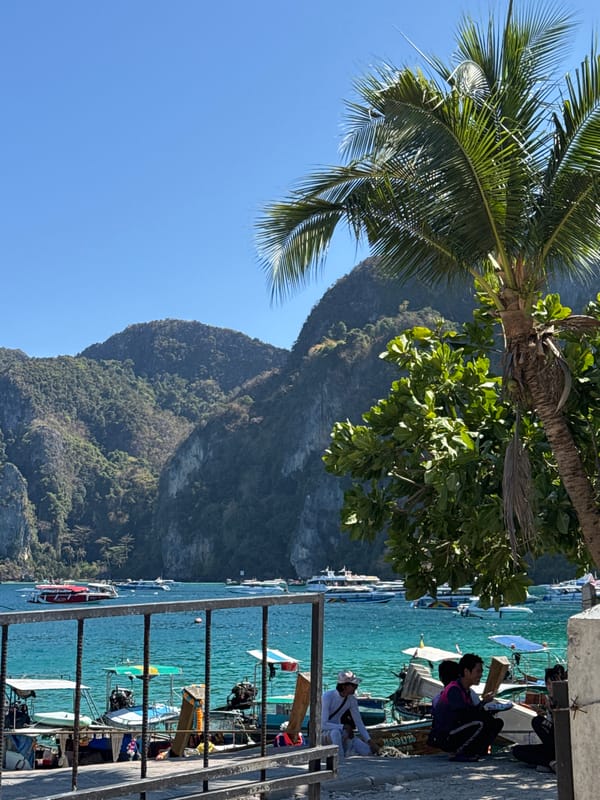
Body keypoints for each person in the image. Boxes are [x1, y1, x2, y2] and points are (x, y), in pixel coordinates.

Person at [428, 653, 504, 761]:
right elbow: (463, 715)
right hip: (446, 735)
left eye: (481, 671)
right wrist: (482, 705)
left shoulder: (465, 690)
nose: (481, 675)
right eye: (478, 671)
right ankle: (461, 753)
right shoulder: (454, 689)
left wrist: (486, 707)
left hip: (456, 730)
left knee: (495, 723)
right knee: (481, 722)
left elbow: (469, 713)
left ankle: (478, 751)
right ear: (466, 672)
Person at [511, 664, 566, 772]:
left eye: (553, 683)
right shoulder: (549, 700)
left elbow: (562, 725)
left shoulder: (564, 699)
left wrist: (553, 711)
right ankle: (551, 763)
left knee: (537, 721)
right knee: (517, 750)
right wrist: (545, 713)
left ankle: (549, 762)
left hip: (562, 742)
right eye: (548, 684)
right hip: (551, 745)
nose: (550, 687)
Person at [321, 670, 380, 758]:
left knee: (367, 751)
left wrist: (370, 741)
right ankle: (340, 760)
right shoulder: (327, 697)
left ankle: (347, 752)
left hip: (341, 731)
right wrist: (343, 726)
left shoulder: (351, 699)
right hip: (323, 734)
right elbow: (323, 725)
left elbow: (359, 723)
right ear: (344, 686)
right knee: (335, 733)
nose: (356, 687)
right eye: (353, 685)